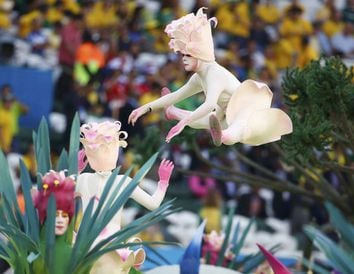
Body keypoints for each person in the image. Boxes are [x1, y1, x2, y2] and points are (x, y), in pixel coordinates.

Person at [128, 8, 292, 146]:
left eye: (188, 55)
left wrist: (182, 124)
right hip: (224, 114)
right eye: (183, 55)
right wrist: (144, 108)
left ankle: (220, 134)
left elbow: (209, 104)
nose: (183, 59)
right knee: (202, 120)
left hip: (247, 112)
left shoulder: (214, 73)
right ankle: (175, 113)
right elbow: (176, 95)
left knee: (228, 130)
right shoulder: (199, 76)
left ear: (199, 55)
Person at [76, 120, 174, 274]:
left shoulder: (82, 179)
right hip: (110, 246)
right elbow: (153, 204)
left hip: (84, 247)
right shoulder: (122, 181)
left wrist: (76, 171)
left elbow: (60, 195)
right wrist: (163, 183)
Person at [32, 170, 76, 274]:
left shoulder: (75, 253)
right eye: (55, 215)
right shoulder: (34, 252)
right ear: (45, 217)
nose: (60, 220)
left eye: (65, 215)